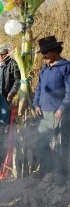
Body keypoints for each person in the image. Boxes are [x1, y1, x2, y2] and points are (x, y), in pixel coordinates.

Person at [32, 35, 70, 185]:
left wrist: (62, 108)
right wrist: (36, 104)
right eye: (42, 53)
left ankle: (62, 175)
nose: (43, 56)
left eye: (46, 53)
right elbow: (39, 88)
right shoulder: (44, 69)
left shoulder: (66, 67)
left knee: (60, 145)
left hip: (59, 113)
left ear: (55, 50)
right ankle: (45, 170)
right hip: (43, 113)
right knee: (41, 142)